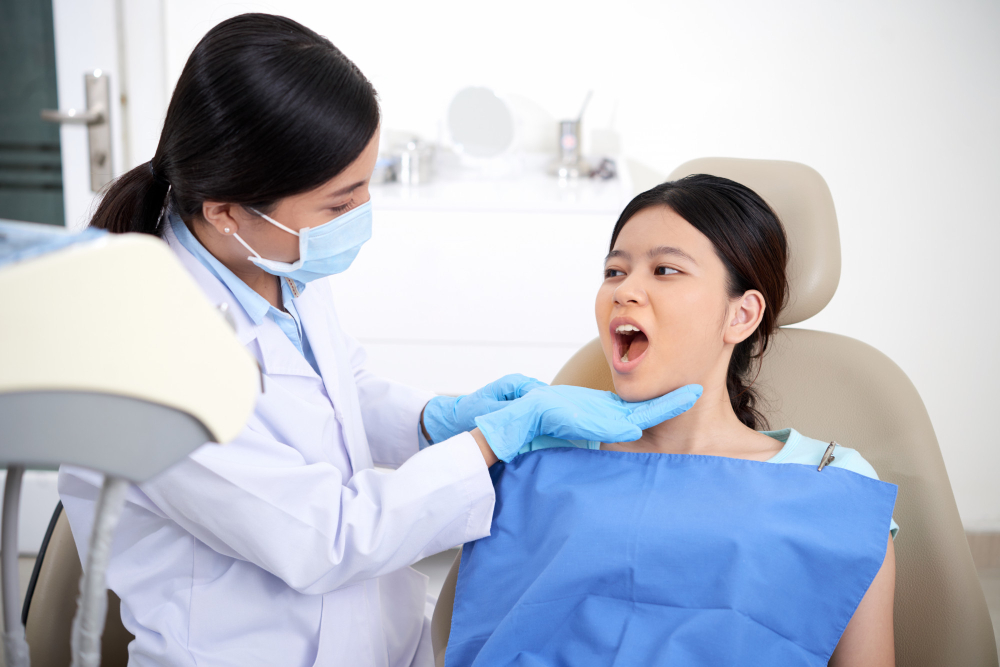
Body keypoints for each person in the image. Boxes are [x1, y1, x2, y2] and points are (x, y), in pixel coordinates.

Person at [56, 14, 700, 667]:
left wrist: (435, 419)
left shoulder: (274, 261)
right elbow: (323, 535)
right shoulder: (144, 359)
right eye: (338, 204)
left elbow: (336, 394)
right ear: (225, 211)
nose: (362, 213)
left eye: (367, 182)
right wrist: (487, 444)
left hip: (386, 636)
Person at [447, 175, 898, 666]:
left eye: (665, 270)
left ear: (741, 316)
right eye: (614, 271)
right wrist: (472, 440)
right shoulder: (534, 455)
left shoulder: (835, 488)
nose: (626, 290)